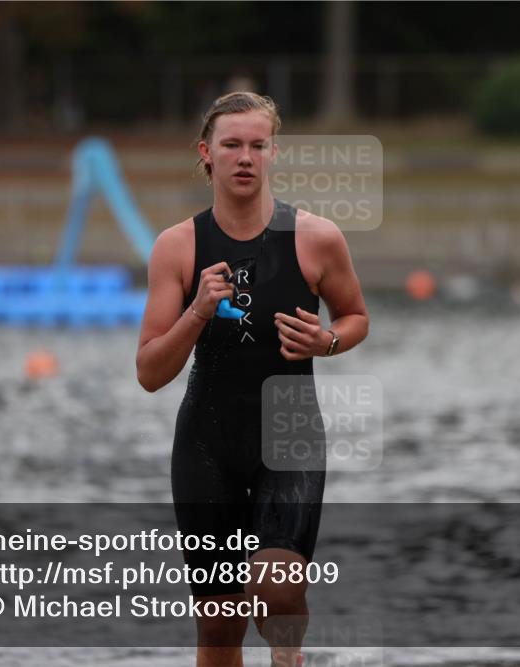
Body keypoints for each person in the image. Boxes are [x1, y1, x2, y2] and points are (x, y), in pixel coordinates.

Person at [136, 91, 369, 667]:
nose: (245, 157)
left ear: (273, 153)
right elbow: (149, 372)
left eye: (258, 146)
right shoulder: (177, 247)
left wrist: (326, 341)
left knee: (277, 587)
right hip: (206, 441)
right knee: (219, 628)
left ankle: (288, 655)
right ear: (206, 153)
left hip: (290, 431)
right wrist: (197, 312)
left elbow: (355, 317)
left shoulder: (316, 238)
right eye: (232, 145)